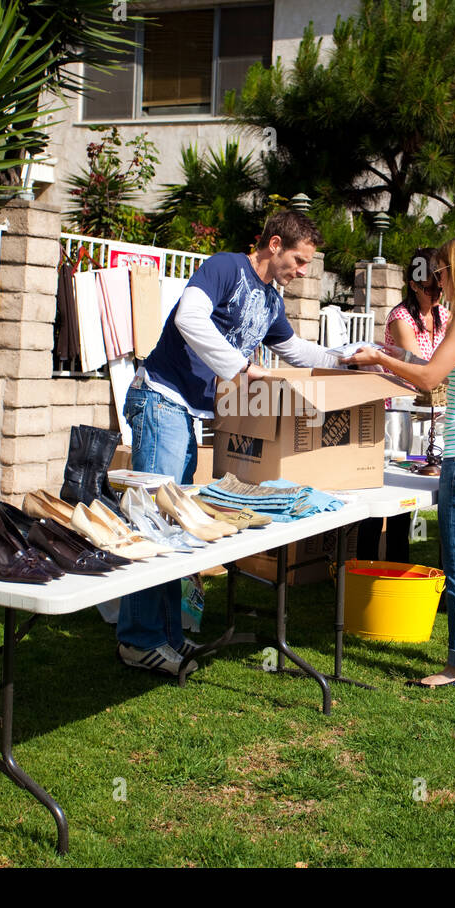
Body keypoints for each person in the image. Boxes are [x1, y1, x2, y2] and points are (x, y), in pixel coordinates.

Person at [116, 211, 343, 677]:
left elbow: (296, 351)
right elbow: (188, 317)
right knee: (154, 518)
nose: (302, 272)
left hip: (185, 411)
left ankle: (169, 635)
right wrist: (240, 367)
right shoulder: (225, 267)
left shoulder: (270, 300)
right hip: (161, 398)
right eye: (299, 261)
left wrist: (348, 360)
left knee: (173, 522)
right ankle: (139, 640)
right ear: (274, 244)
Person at [350, 236, 455, 687]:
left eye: (443, 270)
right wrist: (393, 355)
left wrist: (381, 357)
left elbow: (429, 378)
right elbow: (434, 362)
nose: (438, 279)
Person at [357, 247, 450, 563]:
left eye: (440, 287)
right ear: (413, 284)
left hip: (426, 412)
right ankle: (365, 565)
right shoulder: (401, 317)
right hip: (395, 412)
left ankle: (397, 567)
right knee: (386, 492)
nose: (436, 294)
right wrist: (443, 369)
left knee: (407, 501)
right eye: (429, 288)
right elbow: (417, 364)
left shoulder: (443, 315)